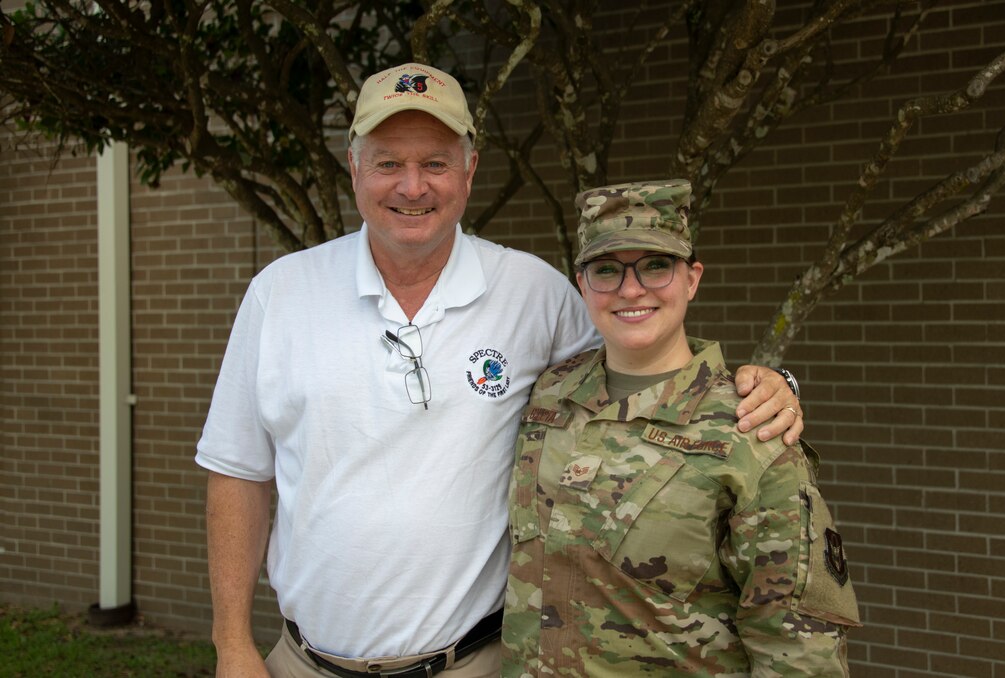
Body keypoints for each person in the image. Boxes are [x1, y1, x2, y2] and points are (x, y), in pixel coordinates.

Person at [196, 63, 804, 678]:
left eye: (435, 163)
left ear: (469, 170)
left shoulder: (533, 292)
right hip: (302, 664)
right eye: (387, 163)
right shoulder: (281, 293)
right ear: (354, 168)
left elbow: (642, 354)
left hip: (476, 664)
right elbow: (236, 471)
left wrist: (760, 388)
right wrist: (232, 644)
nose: (412, 186)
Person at [501, 180, 860, 676]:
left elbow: (799, 651)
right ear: (582, 285)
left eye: (656, 265)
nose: (631, 288)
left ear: (691, 279)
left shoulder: (750, 431)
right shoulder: (547, 396)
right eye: (607, 269)